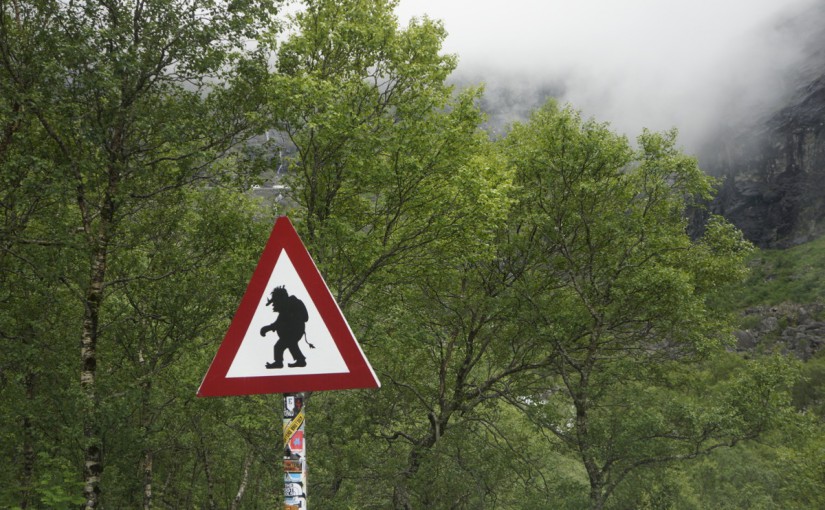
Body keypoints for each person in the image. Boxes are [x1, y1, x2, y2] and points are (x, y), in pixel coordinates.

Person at [260, 286, 309, 368]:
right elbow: (278, 322)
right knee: (290, 345)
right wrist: (268, 328)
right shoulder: (286, 307)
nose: (274, 303)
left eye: (276, 300)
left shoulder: (290, 306)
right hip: (291, 332)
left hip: (294, 331)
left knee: (281, 346)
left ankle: (280, 362)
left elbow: (279, 323)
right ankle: (300, 360)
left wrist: (267, 328)